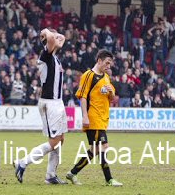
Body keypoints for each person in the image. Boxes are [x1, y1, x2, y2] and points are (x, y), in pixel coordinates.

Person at [14, 29, 68, 184]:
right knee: (54, 141)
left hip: (57, 102)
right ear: (48, 41)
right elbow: (51, 37)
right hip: (50, 103)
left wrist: (56, 35)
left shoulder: (54, 56)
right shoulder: (47, 54)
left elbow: (63, 38)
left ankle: (51, 175)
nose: (58, 37)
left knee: (60, 139)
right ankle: (22, 162)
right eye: (54, 37)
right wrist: (46, 32)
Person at [66, 49, 123, 187]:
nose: (109, 66)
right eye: (107, 63)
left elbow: (111, 99)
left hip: (103, 118)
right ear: (99, 61)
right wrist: (85, 116)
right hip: (93, 117)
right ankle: (109, 179)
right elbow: (83, 96)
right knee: (103, 146)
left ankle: (73, 173)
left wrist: (110, 92)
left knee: (95, 150)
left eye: (110, 64)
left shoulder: (106, 77)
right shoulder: (88, 75)